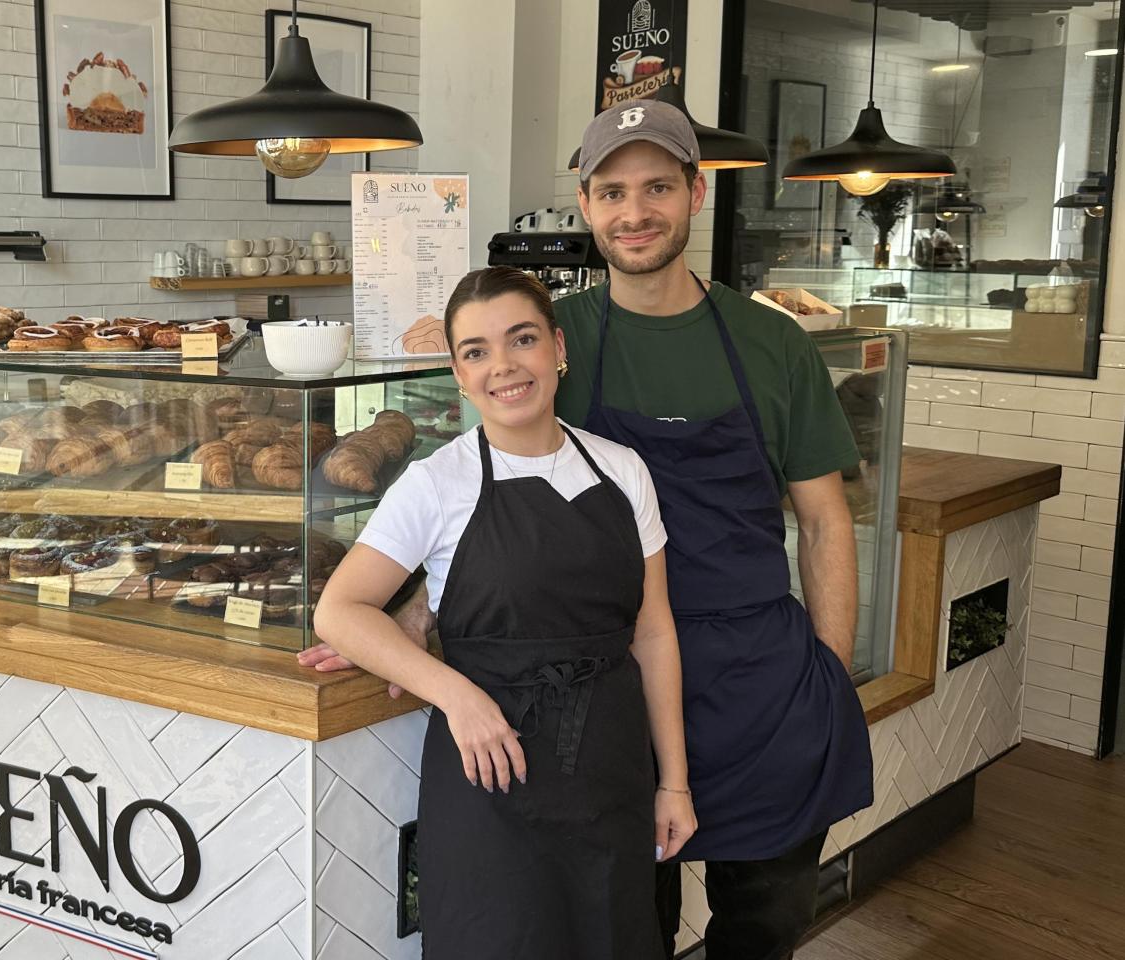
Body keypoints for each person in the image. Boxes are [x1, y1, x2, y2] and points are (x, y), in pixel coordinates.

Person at [301, 99, 874, 960]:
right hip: (612, 703)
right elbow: (493, 487)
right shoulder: (555, 338)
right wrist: (417, 606)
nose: (634, 211)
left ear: (695, 191)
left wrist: (827, 677)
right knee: (626, 930)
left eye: (655, 187)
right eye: (612, 192)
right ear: (586, 204)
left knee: (767, 928)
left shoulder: (772, 342)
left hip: (763, 690)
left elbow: (826, 524)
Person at [310, 266, 696, 959]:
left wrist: (674, 781)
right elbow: (340, 611)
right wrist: (456, 695)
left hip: (610, 769)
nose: (503, 367)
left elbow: (655, 631)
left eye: (521, 340)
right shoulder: (435, 483)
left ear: (557, 348)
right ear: (459, 375)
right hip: (489, 780)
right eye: (477, 352)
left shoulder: (622, 471)